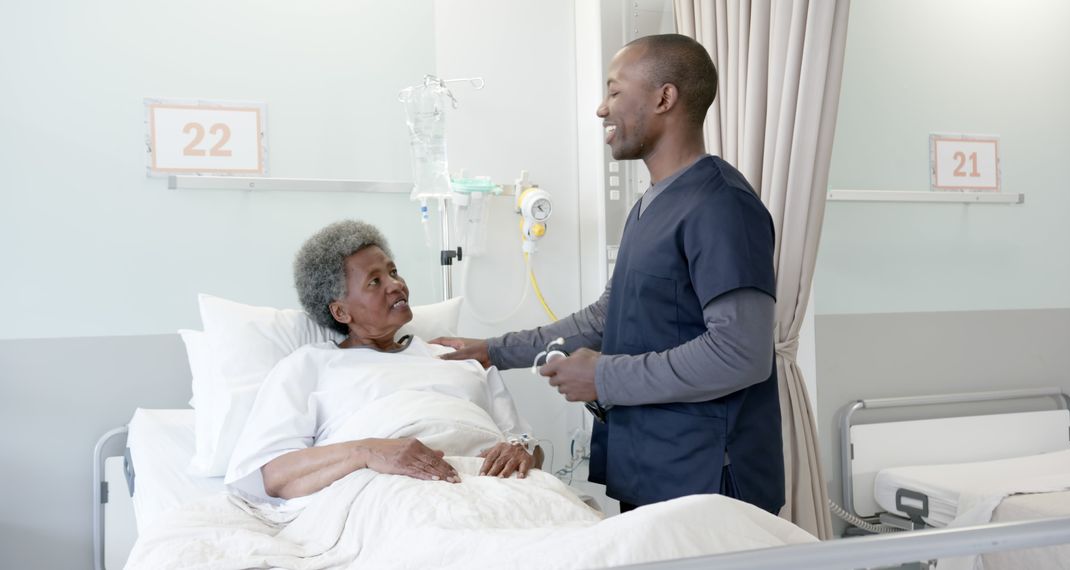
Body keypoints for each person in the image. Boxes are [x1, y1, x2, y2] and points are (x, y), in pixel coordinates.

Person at [434, 34, 783, 515]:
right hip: (651, 465)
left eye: (615, 91)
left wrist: (604, 376)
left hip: (708, 475)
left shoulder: (721, 206)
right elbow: (607, 316)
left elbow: (740, 354)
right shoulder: (650, 206)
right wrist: (493, 351)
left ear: (664, 98)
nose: (602, 108)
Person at [224, 220, 543, 503]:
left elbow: (530, 447)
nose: (396, 285)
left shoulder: (457, 357)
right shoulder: (309, 366)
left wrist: (520, 450)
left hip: (495, 486)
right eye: (374, 281)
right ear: (341, 312)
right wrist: (367, 451)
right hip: (390, 490)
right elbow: (277, 476)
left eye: (393, 271)